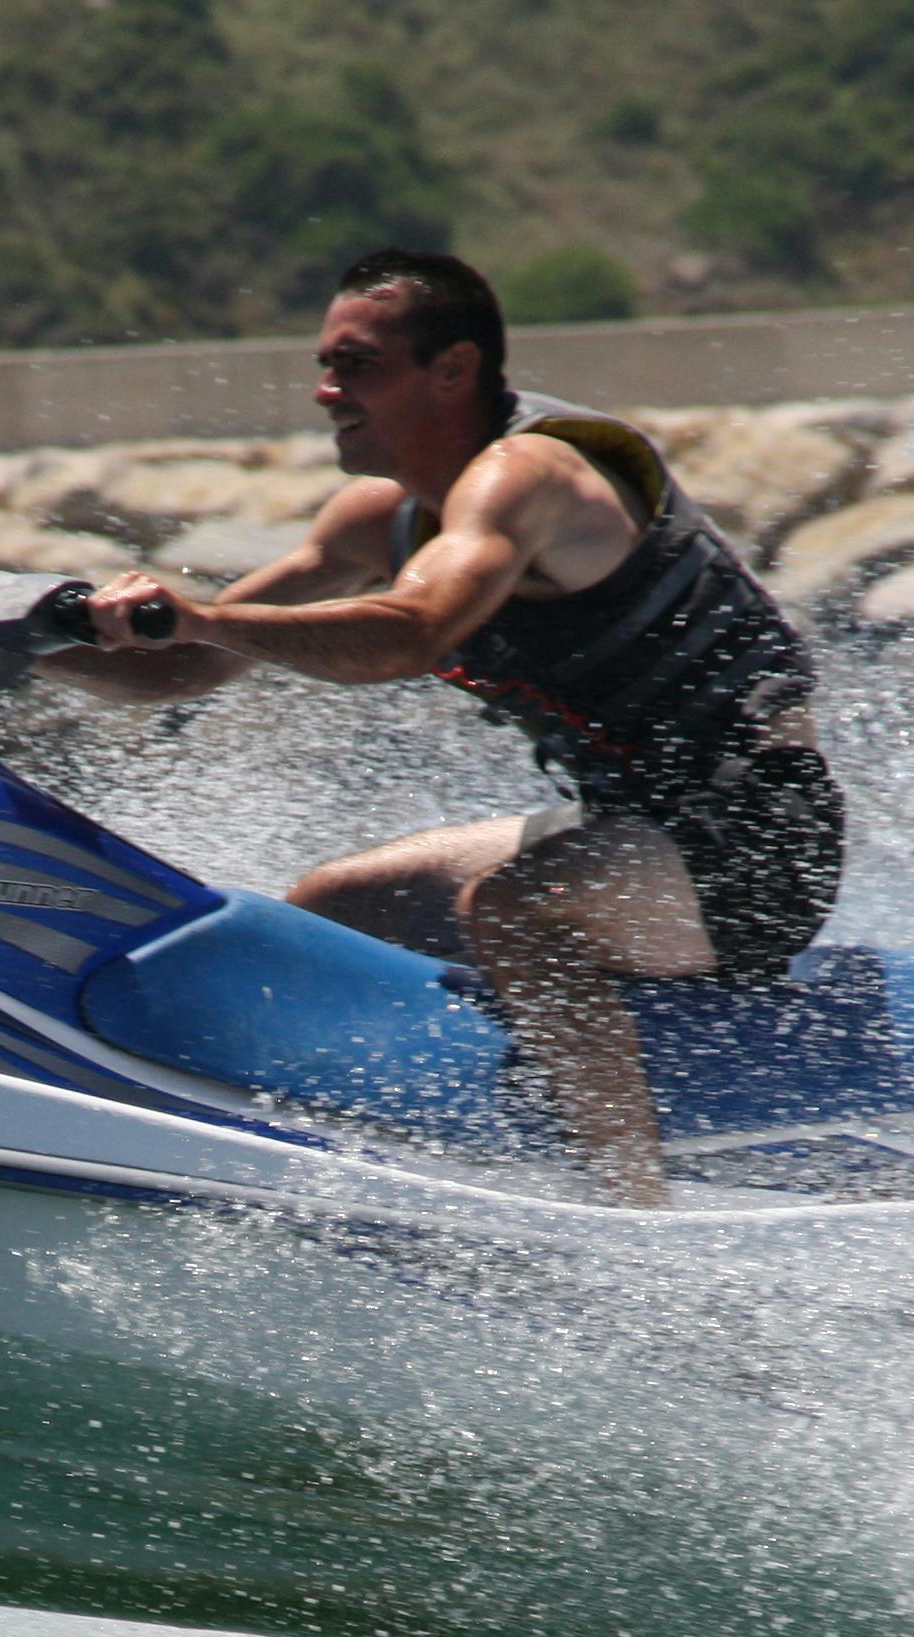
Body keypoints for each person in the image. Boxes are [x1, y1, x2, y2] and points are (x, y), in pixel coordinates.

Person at [53, 247, 847, 1207]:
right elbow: (182, 666)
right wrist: (29, 646)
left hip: (758, 845)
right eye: (325, 364)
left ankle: (635, 1215)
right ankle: (377, 1154)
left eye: (358, 367)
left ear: (455, 370)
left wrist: (203, 612)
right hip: (629, 830)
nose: (325, 391)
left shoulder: (534, 475)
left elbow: (411, 632)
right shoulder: (378, 520)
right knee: (333, 907)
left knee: (515, 909)